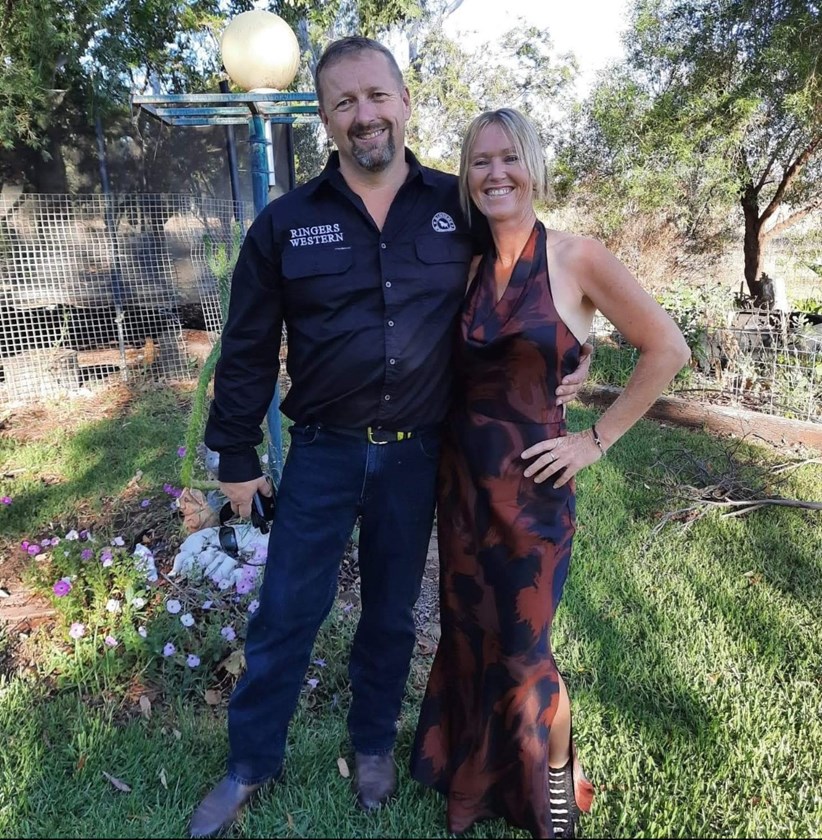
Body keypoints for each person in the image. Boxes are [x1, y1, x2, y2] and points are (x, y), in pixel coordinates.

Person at [189, 40, 590, 839]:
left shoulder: (458, 207)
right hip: (323, 451)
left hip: (418, 455)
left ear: (405, 102)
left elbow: (535, 286)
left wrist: (576, 357)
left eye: (377, 96)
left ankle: (373, 744)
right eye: (344, 102)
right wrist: (235, 456)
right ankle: (249, 764)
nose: (364, 115)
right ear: (325, 118)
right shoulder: (285, 223)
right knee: (286, 612)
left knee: (392, 616)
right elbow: (247, 345)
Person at [409, 108, 690, 839]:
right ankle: (477, 778)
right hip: (462, 490)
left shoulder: (577, 257)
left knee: (527, 653)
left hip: (533, 496)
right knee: (470, 635)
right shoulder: (468, 265)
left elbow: (667, 347)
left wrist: (596, 439)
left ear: (533, 165)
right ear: (466, 177)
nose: (495, 173)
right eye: (480, 161)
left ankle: (554, 781)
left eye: (509, 157)